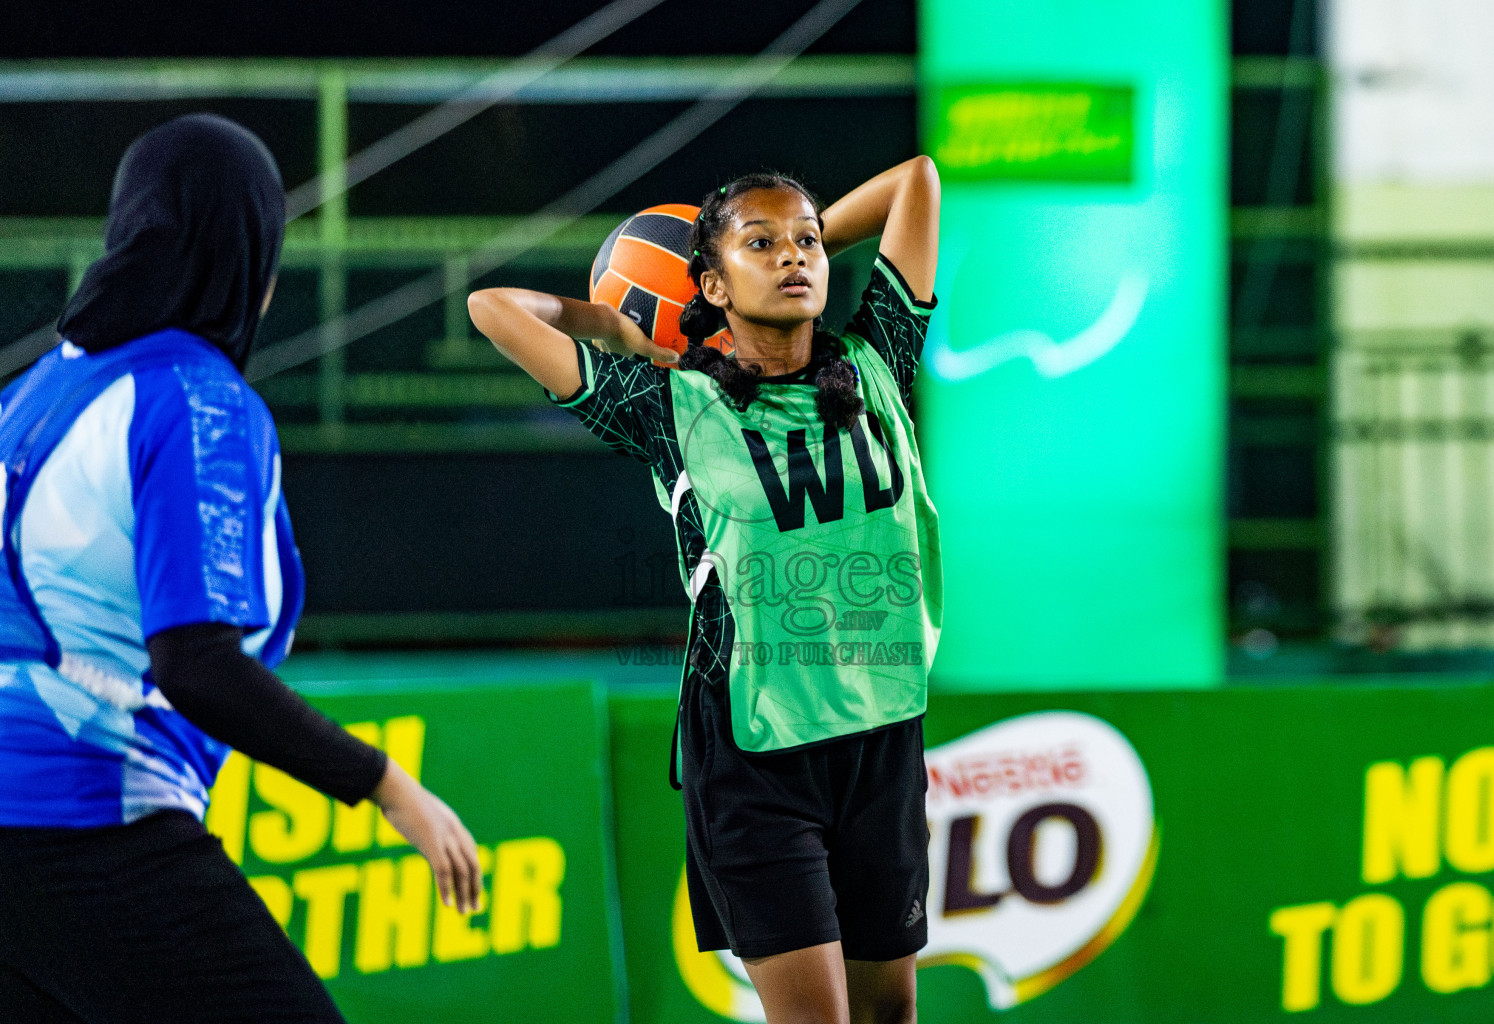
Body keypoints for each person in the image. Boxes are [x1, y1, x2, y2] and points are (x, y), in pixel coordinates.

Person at [0, 114, 482, 1023]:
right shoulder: (196, 397)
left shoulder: (28, 396)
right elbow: (195, 661)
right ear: (248, 257)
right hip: (85, 816)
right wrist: (387, 784)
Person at [469, 157, 941, 1024]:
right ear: (712, 283)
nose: (793, 256)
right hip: (758, 757)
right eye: (761, 244)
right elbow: (491, 308)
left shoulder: (879, 360)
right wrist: (616, 322)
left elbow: (917, 179)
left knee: (889, 1017)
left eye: (806, 243)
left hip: (881, 731)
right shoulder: (668, 406)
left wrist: (793, 246)